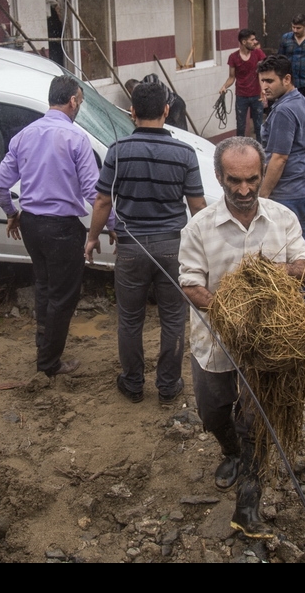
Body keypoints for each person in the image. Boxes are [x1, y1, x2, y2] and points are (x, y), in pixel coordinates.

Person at [178, 137, 305, 538]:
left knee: (255, 418)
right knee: (213, 411)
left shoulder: (282, 218)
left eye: (252, 180)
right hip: (216, 340)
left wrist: (272, 276)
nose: (244, 190)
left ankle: (248, 501)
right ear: (219, 177)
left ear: (261, 176)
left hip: (267, 348)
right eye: (234, 181)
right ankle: (230, 451)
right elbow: (190, 285)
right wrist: (231, 310)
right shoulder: (198, 228)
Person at [85, 81, 206, 404]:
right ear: (167, 111)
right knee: (173, 319)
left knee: (129, 319)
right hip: (172, 249)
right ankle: (168, 386)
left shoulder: (118, 151)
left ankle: (133, 384)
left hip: (130, 249)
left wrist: (92, 237)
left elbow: (101, 202)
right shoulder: (184, 153)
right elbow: (197, 207)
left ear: (133, 112)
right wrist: (206, 247)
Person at [0, 75, 97, 378]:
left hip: (32, 224)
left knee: (46, 287)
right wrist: (110, 224)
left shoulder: (25, 135)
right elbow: (92, 192)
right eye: (81, 100)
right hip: (61, 228)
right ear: (73, 100)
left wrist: (11, 212)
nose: (80, 106)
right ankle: (49, 362)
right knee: (64, 295)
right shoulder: (76, 138)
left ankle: (45, 349)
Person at [257, 54, 305, 306]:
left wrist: (262, 195)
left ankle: (303, 304)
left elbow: (279, 158)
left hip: (288, 192)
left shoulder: (284, 110)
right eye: (262, 81)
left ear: (287, 79)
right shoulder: (303, 102)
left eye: (270, 81)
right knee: (302, 243)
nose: (265, 87)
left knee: (288, 251)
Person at [220, 29, 267, 143]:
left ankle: (261, 152)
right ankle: (240, 151)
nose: (255, 42)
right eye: (252, 40)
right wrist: (224, 86)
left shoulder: (258, 53)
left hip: (257, 95)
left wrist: (263, 89)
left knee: (259, 126)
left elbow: (262, 73)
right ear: (244, 42)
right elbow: (232, 77)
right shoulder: (233, 57)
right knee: (240, 127)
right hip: (241, 96)